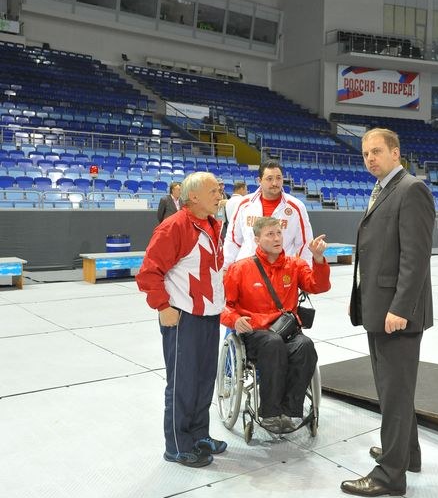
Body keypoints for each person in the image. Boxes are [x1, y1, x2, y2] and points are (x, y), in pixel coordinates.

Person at [342, 128, 435, 498]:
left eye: (377, 151)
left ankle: (390, 475)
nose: (370, 158)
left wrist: (400, 307)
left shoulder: (411, 190)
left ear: (396, 152)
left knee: (394, 392)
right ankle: (406, 453)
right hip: (377, 307)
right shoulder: (382, 189)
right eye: (365, 153)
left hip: (396, 313)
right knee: (393, 389)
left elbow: (415, 257)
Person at [136, 172, 226, 468]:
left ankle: (199, 434)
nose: (219, 194)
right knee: (182, 383)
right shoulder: (174, 227)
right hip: (183, 318)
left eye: (220, 189)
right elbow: (149, 272)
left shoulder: (213, 225)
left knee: (203, 382)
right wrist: (162, 306)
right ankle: (176, 445)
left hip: (209, 316)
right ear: (194, 196)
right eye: (213, 190)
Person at [222, 216, 330, 433]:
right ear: (257, 239)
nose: (276, 238)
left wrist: (318, 259)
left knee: (306, 346)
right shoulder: (240, 269)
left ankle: (290, 410)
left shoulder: (295, 265)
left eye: (279, 233)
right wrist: (235, 320)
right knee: (272, 344)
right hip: (256, 334)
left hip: (286, 332)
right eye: (270, 234)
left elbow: (318, 286)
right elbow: (224, 307)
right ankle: (270, 412)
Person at [223, 161, 313, 268]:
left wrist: (306, 272)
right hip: (249, 269)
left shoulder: (296, 207)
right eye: (269, 179)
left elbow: (305, 244)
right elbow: (233, 240)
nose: (275, 183)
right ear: (259, 181)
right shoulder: (244, 204)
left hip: (282, 270)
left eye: (278, 178)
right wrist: (226, 266)